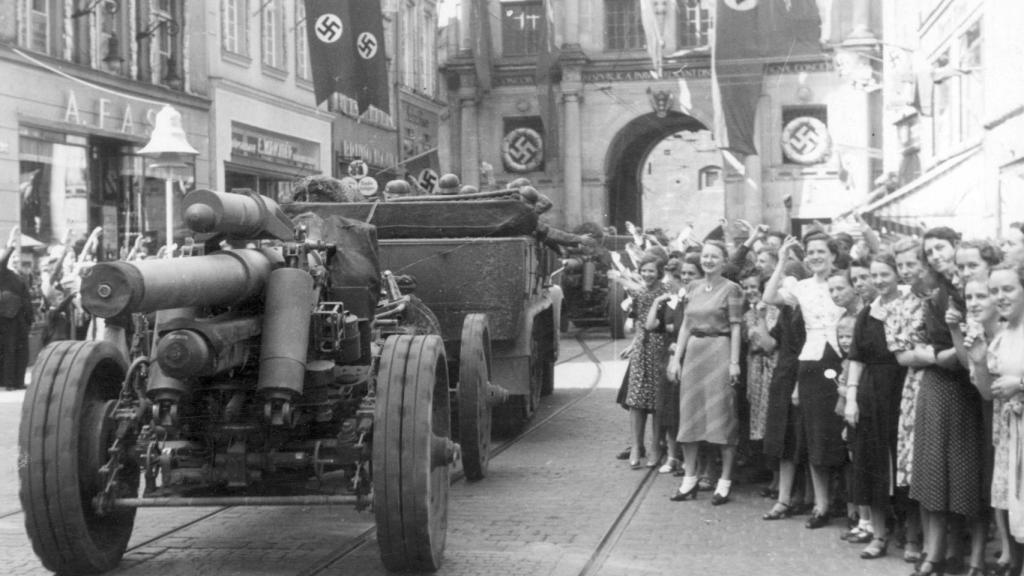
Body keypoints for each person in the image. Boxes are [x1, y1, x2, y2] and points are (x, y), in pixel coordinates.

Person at [903, 227, 985, 576]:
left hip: (976, 387)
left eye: (941, 248)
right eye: (930, 251)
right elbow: (935, 350)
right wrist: (944, 353)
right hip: (941, 385)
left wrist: (945, 353)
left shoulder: (979, 288)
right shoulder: (934, 293)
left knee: (972, 472)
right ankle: (936, 553)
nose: (936, 256)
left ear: (956, 245)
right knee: (934, 468)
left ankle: (974, 557)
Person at [763, 231, 846, 529]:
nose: (815, 257)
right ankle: (821, 505)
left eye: (821, 251)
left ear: (833, 255)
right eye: (810, 252)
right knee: (815, 436)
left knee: (838, 434)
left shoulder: (843, 283)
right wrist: (783, 260)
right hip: (812, 364)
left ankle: (846, 505)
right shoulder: (802, 286)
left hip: (839, 362)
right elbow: (768, 297)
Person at [842, 253, 909, 560]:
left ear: (897, 274)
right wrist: (852, 399)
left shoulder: (910, 306)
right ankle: (879, 535)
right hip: (871, 392)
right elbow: (856, 357)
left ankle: (911, 538)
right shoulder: (868, 312)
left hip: (903, 389)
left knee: (905, 465)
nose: (879, 281)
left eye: (885, 274)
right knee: (873, 464)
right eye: (874, 275)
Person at [667, 240, 744, 505]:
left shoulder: (732, 289)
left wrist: (734, 362)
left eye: (715, 256)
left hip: (720, 350)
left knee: (722, 414)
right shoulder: (692, 287)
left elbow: (735, 327)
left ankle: (724, 482)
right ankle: (689, 479)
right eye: (706, 256)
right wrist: (676, 360)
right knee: (690, 415)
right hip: (694, 354)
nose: (709, 260)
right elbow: (686, 324)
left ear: (724, 260)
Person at [959, 276, 1019, 576]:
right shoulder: (999, 337)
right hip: (1009, 429)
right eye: (994, 291)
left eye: (1007, 289)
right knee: (1011, 502)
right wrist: (980, 361)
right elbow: (987, 392)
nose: (999, 297)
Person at [624, 254, 669, 468]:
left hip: (660, 348)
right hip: (642, 348)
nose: (647, 274)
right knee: (636, 398)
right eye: (643, 270)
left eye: (651, 270)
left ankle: (656, 446)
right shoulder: (639, 293)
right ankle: (635, 445)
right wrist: (633, 345)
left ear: (659, 272)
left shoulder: (666, 293)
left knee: (658, 400)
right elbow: (639, 324)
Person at [0, 228, 33, 391]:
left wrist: (29, 319)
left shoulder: (17, 276)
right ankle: (8, 382)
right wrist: (11, 244)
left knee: (22, 352)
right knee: (9, 350)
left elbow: (26, 298)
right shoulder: (2, 273)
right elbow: (2, 261)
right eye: (11, 257)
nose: (14, 260)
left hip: (20, 317)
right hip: (6, 318)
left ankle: (18, 381)